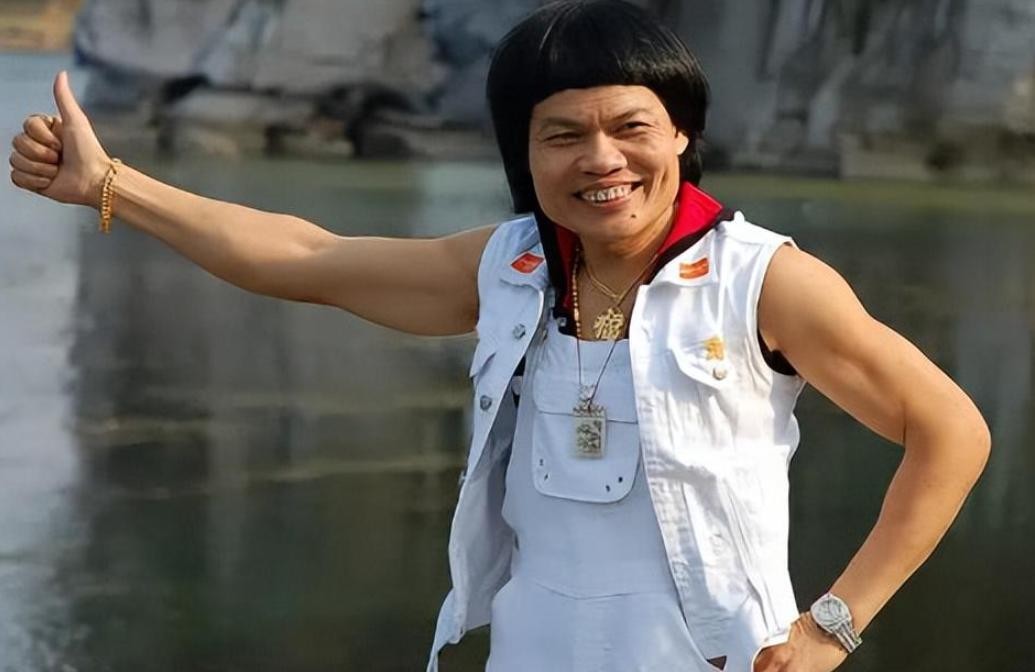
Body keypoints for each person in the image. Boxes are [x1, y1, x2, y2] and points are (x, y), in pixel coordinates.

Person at [8, 2, 989, 671]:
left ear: (680, 133)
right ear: (524, 152)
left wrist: (833, 624)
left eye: (630, 127)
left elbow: (949, 432)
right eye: (562, 134)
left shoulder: (763, 280)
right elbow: (303, 257)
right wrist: (110, 186)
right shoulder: (508, 267)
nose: (601, 159)